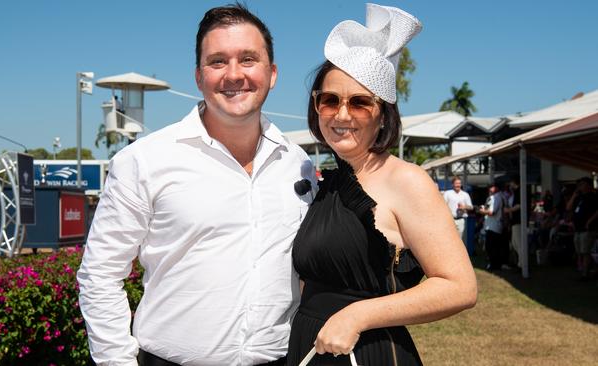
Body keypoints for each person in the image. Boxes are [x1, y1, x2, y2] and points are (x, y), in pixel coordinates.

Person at [77, 4, 316, 365]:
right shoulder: (144, 161)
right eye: (218, 61)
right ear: (198, 76)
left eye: (248, 59)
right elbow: (100, 275)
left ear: (273, 73)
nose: (234, 74)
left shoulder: (298, 163)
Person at [287, 4, 477, 365]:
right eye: (330, 100)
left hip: (368, 351)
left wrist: (358, 315)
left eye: (360, 103)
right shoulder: (331, 181)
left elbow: (459, 287)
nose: (342, 115)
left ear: (383, 113)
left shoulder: (406, 180)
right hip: (311, 346)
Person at [566, 177, 598, 280]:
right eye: (579, 185)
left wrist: (589, 221)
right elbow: (568, 208)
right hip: (578, 228)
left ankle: (585, 274)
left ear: (588, 185)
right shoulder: (579, 197)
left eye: (582, 184)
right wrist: (574, 196)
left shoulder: (593, 197)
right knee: (579, 251)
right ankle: (589, 269)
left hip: (587, 229)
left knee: (585, 252)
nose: (580, 187)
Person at [480, 184, 506, 271]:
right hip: (494, 225)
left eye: (492, 189)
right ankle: (495, 264)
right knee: (494, 247)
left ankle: (493, 265)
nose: (490, 191)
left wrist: (482, 211)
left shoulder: (495, 197)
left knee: (491, 247)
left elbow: (492, 212)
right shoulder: (499, 196)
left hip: (493, 226)